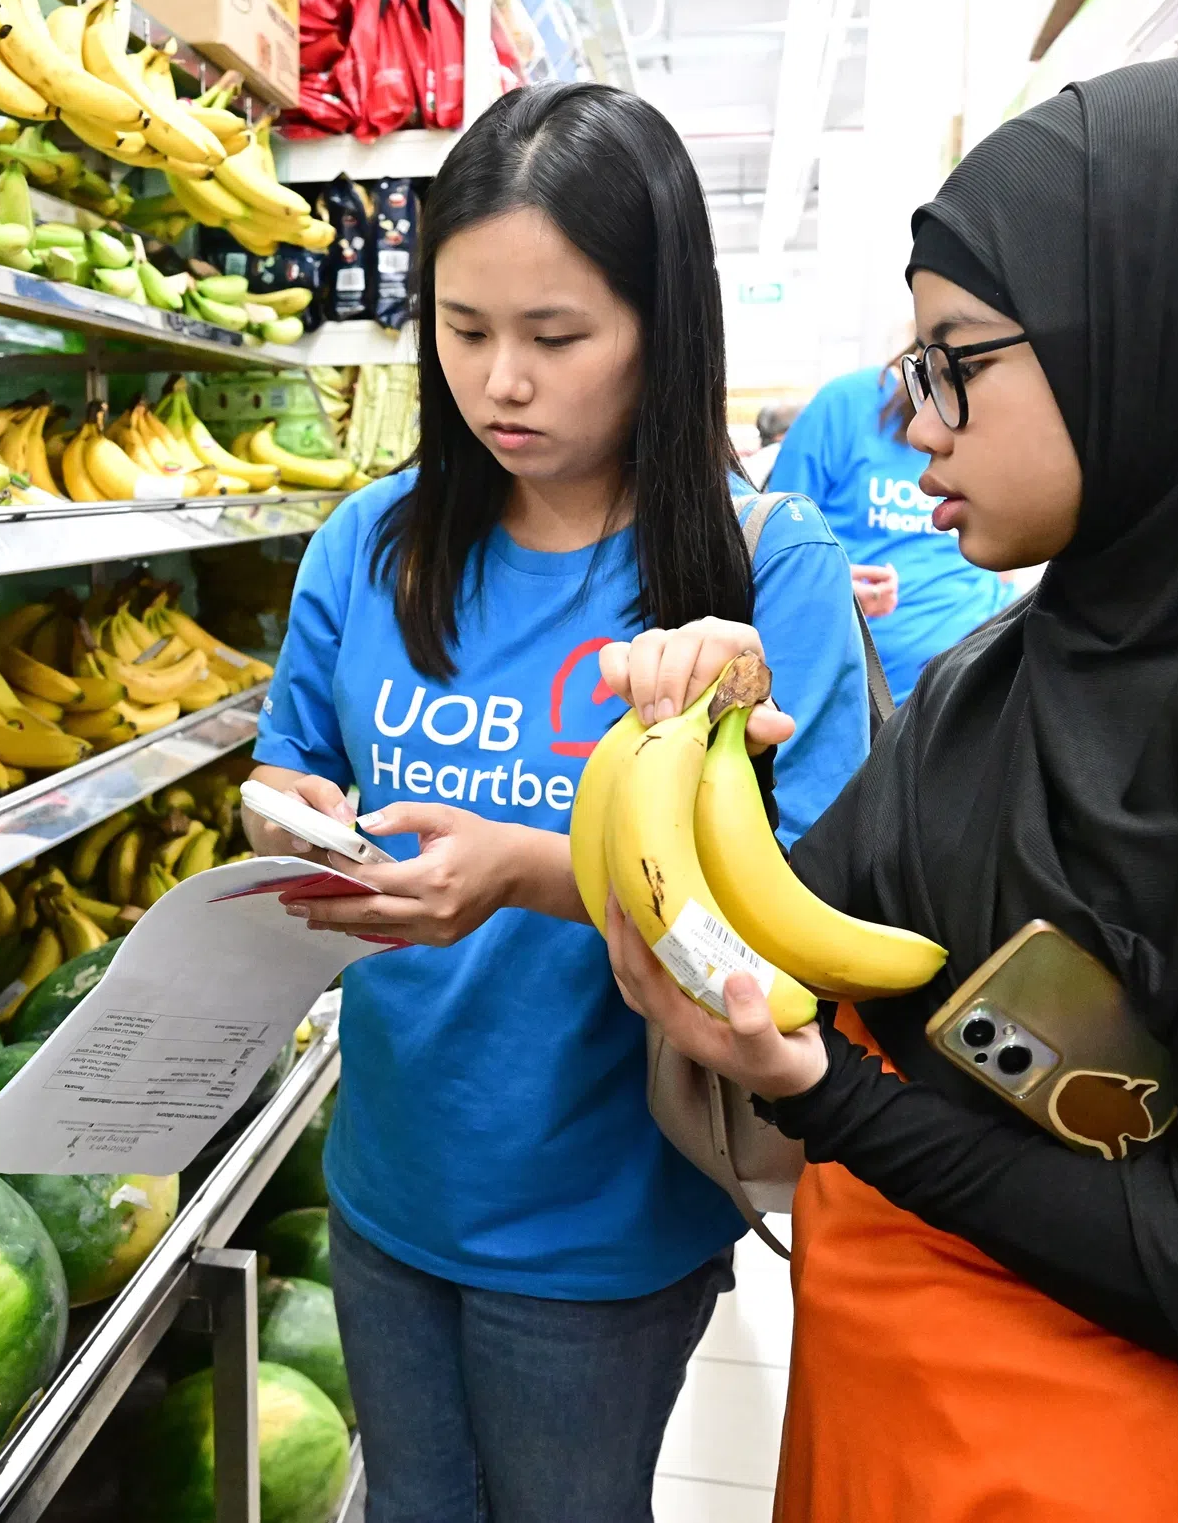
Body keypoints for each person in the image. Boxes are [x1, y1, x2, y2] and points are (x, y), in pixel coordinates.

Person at [600, 59, 1178, 1521]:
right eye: (914, 367)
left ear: (1161, 340)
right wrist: (718, 757)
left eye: (957, 359)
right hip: (894, 1426)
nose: (915, 423)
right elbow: (809, 928)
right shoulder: (1014, 673)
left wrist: (836, 1099)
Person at [241, 80, 869, 1521]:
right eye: (465, 331)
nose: (501, 381)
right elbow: (286, 767)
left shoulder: (765, 576)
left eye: (556, 336)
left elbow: (818, 911)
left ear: (665, 326)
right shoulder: (370, 545)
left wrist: (526, 867)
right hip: (393, 1176)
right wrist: (290, 821)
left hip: (606, 1210)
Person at [771, 362, 1010, 693]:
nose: (926, 435)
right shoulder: (845, 405)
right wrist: (826, 589)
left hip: (971, 686)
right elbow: (774, 548)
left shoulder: (991, 410)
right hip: (863, 697)